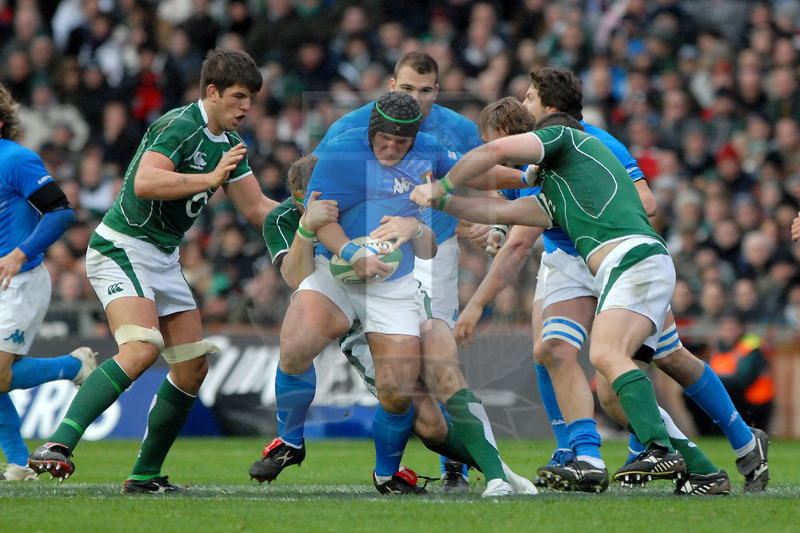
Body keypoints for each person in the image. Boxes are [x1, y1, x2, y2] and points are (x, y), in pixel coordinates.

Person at [458, 68, 768, 494]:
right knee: (551, 349)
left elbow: (647, 201)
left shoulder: (593, 143)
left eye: (529, 98)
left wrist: (477, 301)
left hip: (617, 255)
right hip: (568, 260)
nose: (491, 150)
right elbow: (508, 212)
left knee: (664, 360)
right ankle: (579, 452)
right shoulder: (526, 164)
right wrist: (491, 225)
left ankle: (737, 442)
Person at [251, 53, 532, 496]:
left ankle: (440, 471)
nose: (391, 149)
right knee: (298, 341)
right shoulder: (342, 144)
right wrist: (347, 249)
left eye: (402, 144)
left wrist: (528, 174)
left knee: (412, 395)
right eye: (384, 141)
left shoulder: (436, 143)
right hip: (341, 270)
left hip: (402, 275)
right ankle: (289, 439)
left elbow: (468, 176)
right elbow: (319, 215)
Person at [28, 49, 278, 493]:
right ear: (213, 92)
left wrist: (306, 213)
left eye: (252, 99)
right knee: (143, 347)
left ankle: (144, 476)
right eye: (240, 96)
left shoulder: (228, 146)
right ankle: (58, 445)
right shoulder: (180, 125)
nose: (247, 108)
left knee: (191, 368)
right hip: (121, 245)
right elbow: (145, 181)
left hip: (162, 257)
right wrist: (208, 179)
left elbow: (259, 209)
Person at [413, 111, 691, 493]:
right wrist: (442, 200)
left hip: (631, 260)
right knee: (570, 358)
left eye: (532, 97)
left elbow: (495, 154)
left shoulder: (568, 142)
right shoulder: (552, 197)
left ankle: (663, 447)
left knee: (619, 358)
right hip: (617, 267)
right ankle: (683, 465)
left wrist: (442, 184)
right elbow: (503, 212)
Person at [0, 83, 96, 482]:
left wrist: (19, 253)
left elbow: (60, 212)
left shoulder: (17, 160)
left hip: (19, 281)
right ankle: (20, 464)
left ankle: (73, 365)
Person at [701, 313, 774, 433]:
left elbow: (744, 379)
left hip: (753, 400)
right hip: (731, 398)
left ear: (740, 329)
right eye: (725, 329)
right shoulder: (717, 349)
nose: (729, 333)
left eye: (732, 329)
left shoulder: (750, 347)